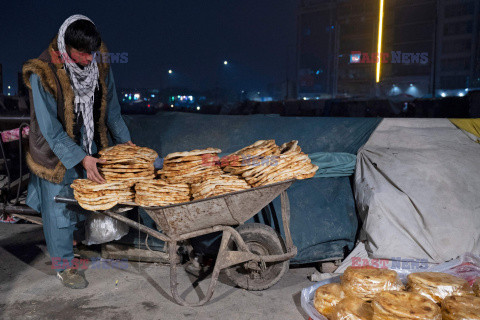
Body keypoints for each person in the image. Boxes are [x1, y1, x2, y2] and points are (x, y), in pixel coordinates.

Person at [22, 14, 133, 289]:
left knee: (84, 199)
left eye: (91, 53)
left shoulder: (101, 63)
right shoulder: (43, 72)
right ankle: (64, 265)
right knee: (58, 205)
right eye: (81, 54)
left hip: (88, 141)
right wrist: (81, 158)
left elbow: (113, 112)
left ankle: (76, 243)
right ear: (64, 48)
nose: (88, 60)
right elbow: (51, 130)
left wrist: (128, 145)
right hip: (53, 150)